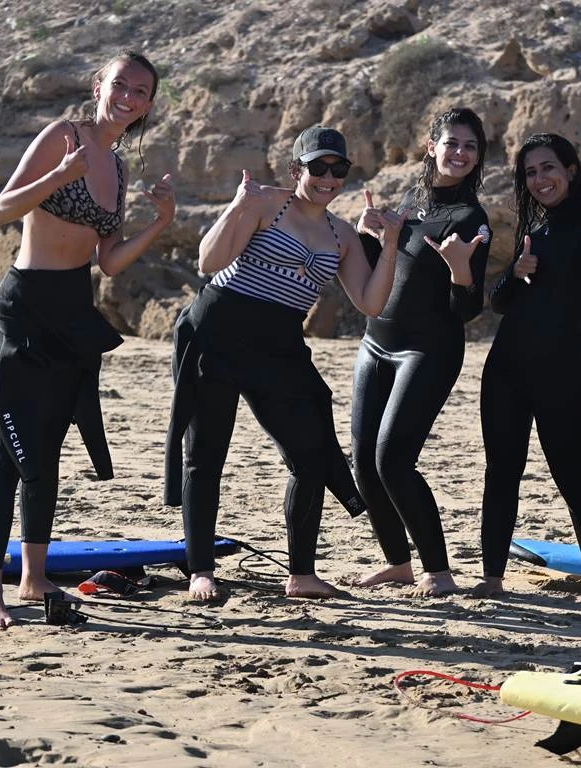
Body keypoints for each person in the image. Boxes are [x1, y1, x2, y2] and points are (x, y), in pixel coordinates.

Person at [0, 50, 176, 629]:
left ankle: (33, 576)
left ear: (148, 104)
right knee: (7, 450)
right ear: (99, 86)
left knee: (47, 447)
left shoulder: (117, 167)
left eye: (142, 92)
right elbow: (0, 211)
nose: (130, 98)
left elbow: (109, 263)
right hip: (26, 306)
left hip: (74, 311)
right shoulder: (63, 136)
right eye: (122, 85)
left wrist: (159, 223)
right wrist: (57, 177)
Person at [164, 126, 403, 602]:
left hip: (279, 344)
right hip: (218, 330)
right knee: (206, 454)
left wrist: (391, 244)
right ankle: (201, 570)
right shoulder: (264, 203)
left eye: (339, 169)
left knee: (310, 454)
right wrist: (238, 204)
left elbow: (371, 303)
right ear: (297, 170)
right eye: (317, 167)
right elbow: (209, 260)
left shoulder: (342, 234)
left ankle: (302, 574)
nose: (328, 178)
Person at [472, 133, 581, 600]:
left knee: (573, 473)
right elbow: (499, 302)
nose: (540, 179)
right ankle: (492, 576)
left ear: (570, 169)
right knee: (501, 471)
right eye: (530, 172)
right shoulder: (535, 230)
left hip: (563, 369)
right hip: (506, 368)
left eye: (548, 168)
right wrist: (515, 272)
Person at [351, 107, 492, 597]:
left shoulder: (472, 217)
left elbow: (469, 308)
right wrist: (373, 239)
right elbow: (385, 274)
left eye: (470, 146)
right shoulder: (410, 202)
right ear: (431, 146)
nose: (460, 153)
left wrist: (461, 270)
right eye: (451, 142)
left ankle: (438, 570)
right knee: (364, 464)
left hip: (427, 350)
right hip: (375, 343)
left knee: (393, 461)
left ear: (478, 158)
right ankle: (397, 563)